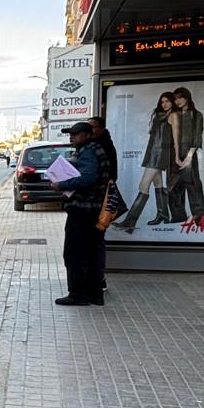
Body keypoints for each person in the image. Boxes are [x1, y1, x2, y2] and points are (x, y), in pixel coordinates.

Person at [55, 121, 108, 307]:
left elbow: (88, 178)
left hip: (83, 210)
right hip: (91, 209)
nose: (72, 137)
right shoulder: (93, 149)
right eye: (71, 134)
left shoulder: (88, 152)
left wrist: (62, 184)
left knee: (75, 252)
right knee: (91, 252)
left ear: (87, 135)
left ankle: (78, 294)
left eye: (75, 134)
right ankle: (94, 294)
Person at [112, 92, 179, 233]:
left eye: (167, 101)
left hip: (160, 154)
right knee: (158, 184)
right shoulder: (161, 115)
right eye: (162, 101)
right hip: (153, 152)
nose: (164, 104)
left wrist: (177, 156)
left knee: (143, 185)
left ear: (172, 102)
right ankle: (163, 215)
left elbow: (175, 138)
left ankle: (130, 221)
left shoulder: (173, 116)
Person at [168, 86, 204, 223]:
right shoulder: (174, 115)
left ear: (187, 97)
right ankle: (178, 217)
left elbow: (198, 137)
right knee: (173, 185)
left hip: (188, 151)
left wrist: (189, 156)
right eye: (175, 99)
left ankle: (201, 217)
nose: (178, 101)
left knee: (193, 184)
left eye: (180, 97)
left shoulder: (197, 115)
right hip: (173, 151)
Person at [89, 115, 117, 289]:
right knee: (96, 240)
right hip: (96, 200)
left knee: (96, 239)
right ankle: (97, 278)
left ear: (101, 129)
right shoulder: (99, 145)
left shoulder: (102, 147)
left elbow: (108, 176)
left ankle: (98, 279)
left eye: (92, 127)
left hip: (98, 201)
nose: (90, 131)